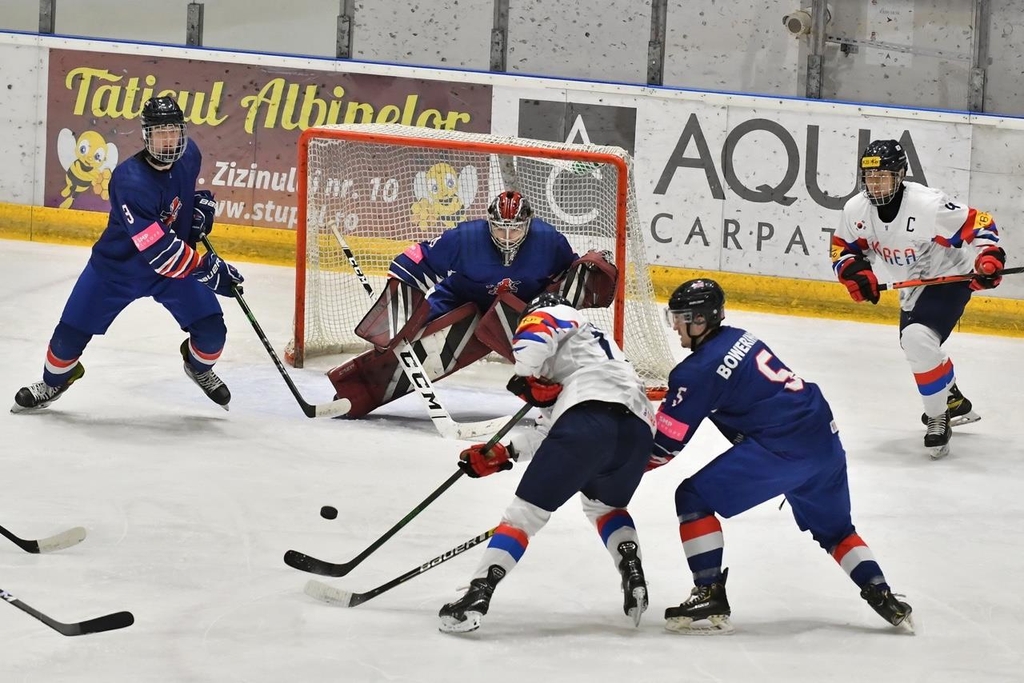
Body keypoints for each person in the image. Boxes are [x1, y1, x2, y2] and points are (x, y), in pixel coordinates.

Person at [649, 278, 914, 635]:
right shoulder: (739, 336)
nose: (675, 325)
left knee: (692, 497)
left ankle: (709, 591)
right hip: (823, 438)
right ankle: (883, 594)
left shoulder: (696, 371)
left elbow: (664, 447)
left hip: (784, 447)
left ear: (699, 320)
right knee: (837, 532)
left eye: (680, 317)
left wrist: (609, 466)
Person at [437, 292, 657, 634]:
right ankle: (633, 572)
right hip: (638, 433)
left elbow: (534, 337)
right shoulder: (592, 357)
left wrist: (529, 375)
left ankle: (477, 595)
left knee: (522, 518)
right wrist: (505, 453)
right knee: (604, 507)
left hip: (589, 418)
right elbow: (551, 434)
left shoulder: (554, 313)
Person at [11, 96, 244, 414]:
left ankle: (198, 368)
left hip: (170, 274)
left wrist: (198, 209)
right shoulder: (129, 180)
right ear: (147, 136)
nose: (168, 140)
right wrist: (206, 268)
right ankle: (55, 382)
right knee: (66, 342)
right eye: (160, 133)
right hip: (117, 270)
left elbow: (179, 197)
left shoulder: (191, 155)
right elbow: (158, 251)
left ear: (182, 132)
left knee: (213, 333)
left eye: (173, 131)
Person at [328, 190, 618, 418]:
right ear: (488, 223)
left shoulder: (549, 241)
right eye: (499, 229)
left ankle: (574, 400)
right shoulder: (464, 238)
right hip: (460, 298)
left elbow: (564, 286)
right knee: (411, 343)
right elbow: (419, 260)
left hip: (521, 308)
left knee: (553, 350)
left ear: (527, 225)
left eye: (514, 230)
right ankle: (355, 390)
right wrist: (401, 296)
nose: (506, 237)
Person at [831, 139, 1004, 459]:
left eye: (882, 176)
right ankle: (952, 398)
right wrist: (853, 272)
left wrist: (989, 258)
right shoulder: (856, 209)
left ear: (900, 175)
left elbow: (980, 224)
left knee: (915, 339)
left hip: (949, 277)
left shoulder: (927, 205)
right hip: (912, 287)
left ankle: (938, 417)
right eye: (869, 178)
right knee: (918, 346)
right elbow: (843, 248)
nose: (875, 184)